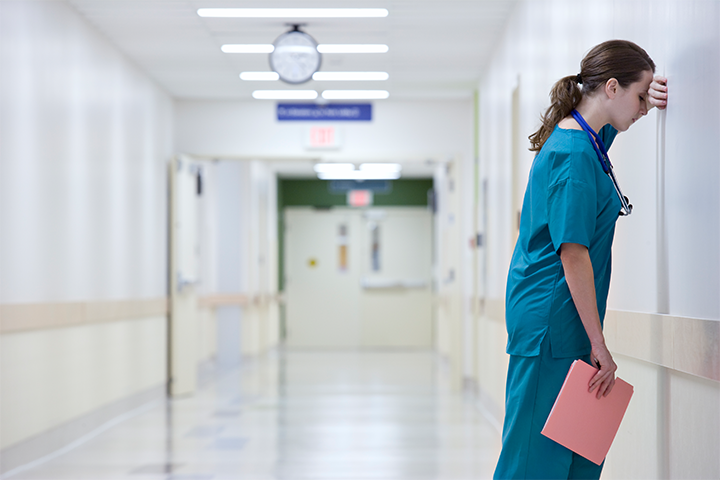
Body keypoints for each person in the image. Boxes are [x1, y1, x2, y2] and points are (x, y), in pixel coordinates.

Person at [493, 39, 668, 480]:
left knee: (578, 454)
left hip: (565, 323)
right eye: (640, 95)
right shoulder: (572, 156)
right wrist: (599, 344)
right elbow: (573, 254)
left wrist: (653, 93)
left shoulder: (585, 140)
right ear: (611, 87)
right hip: (551, 327)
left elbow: (610, 126)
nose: (645, 106)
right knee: (532, 462)